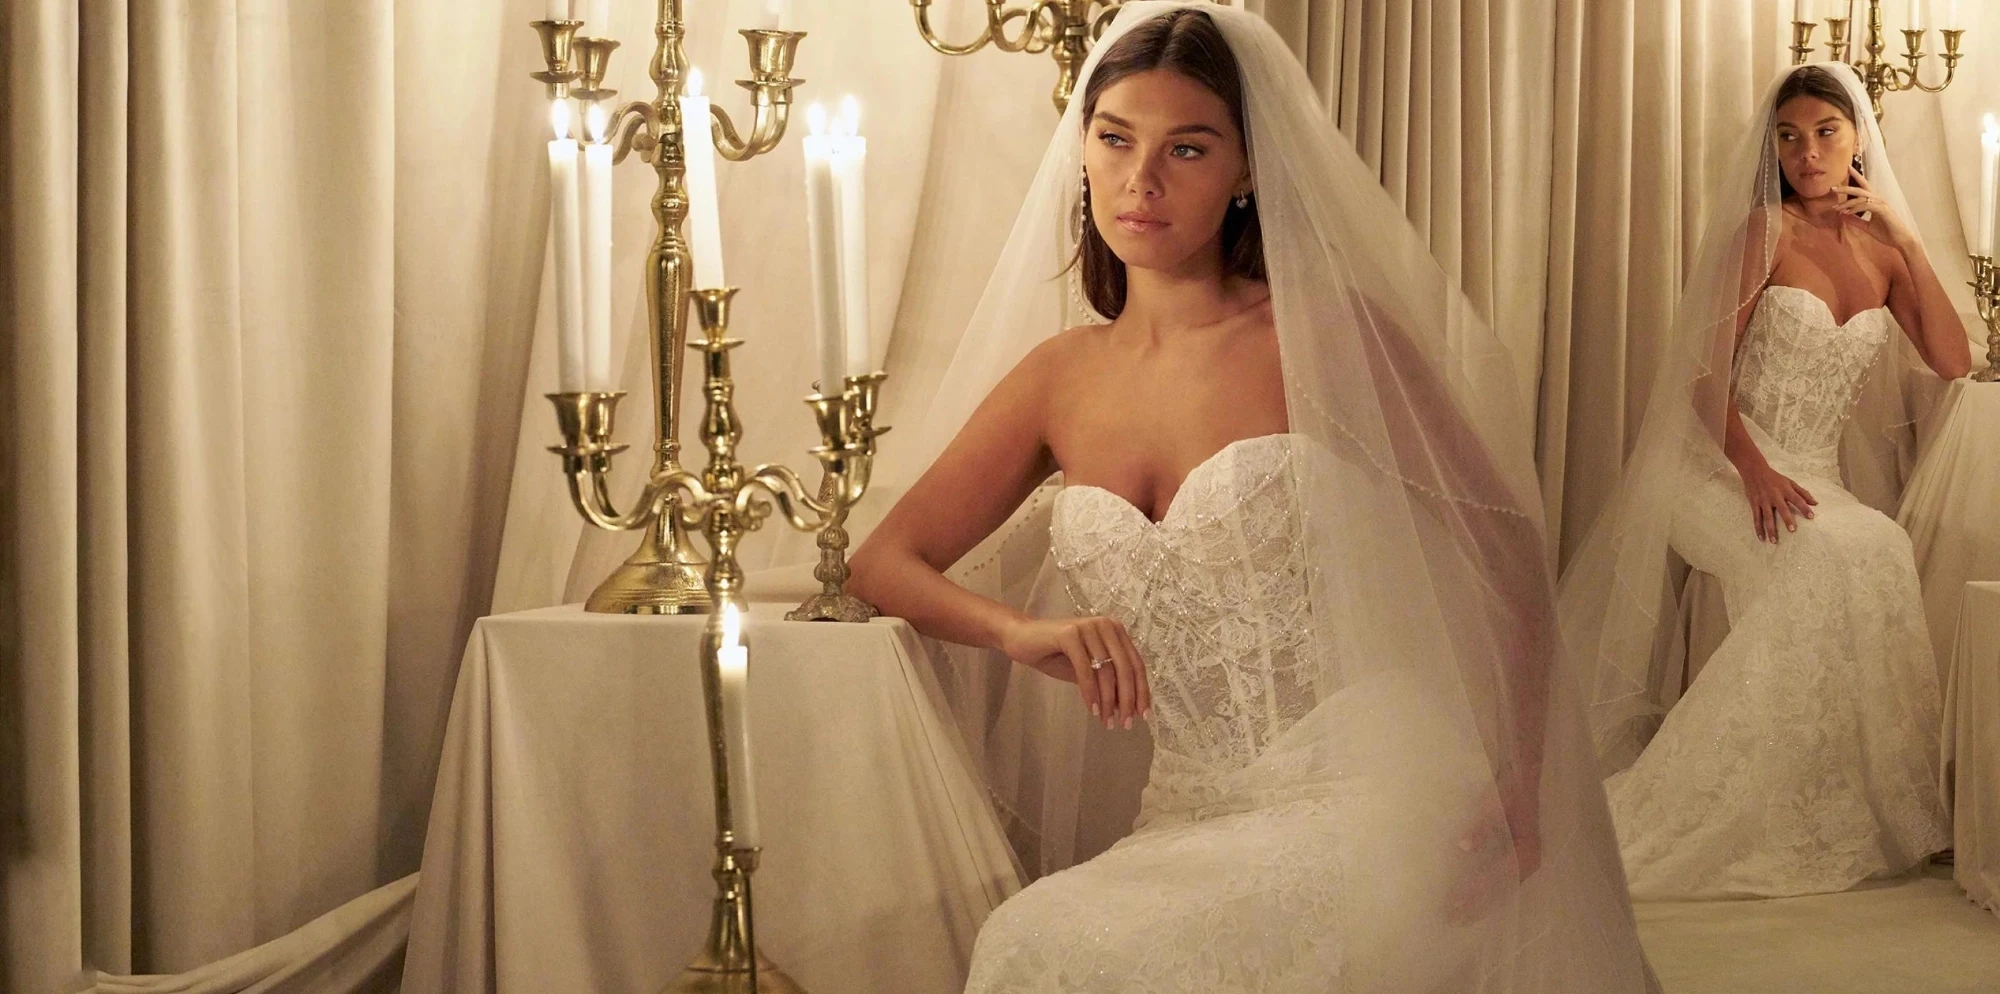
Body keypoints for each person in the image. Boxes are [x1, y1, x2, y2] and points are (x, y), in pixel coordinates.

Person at [847, 4, 1657, 989]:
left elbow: (1506, 554)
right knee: (1025, 935)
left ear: (1248, 172)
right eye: (1114, 139)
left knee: (1061, 947)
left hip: (1372, 789)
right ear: (1083, 152)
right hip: (1188, 808)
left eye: (1185, 148)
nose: (1139, 180)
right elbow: (882, 563)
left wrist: (1521, 781)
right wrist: (1019, 632)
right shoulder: (1057, 378)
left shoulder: (1318, 336)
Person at [1560, 62, 1965, 901]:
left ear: (1858, 138)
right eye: (1789, 137)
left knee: (1880, 548)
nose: (1806, 153)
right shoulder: (1764, 231)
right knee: (1824, 563)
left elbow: (1957, 361)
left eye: (1824, 133)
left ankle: (1839, 804)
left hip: (1811, 479)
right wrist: (1753, 471)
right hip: (1714, 462)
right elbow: (1703, 379)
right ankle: (1707, 807)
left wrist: (1913, 240)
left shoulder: (1886, 250)